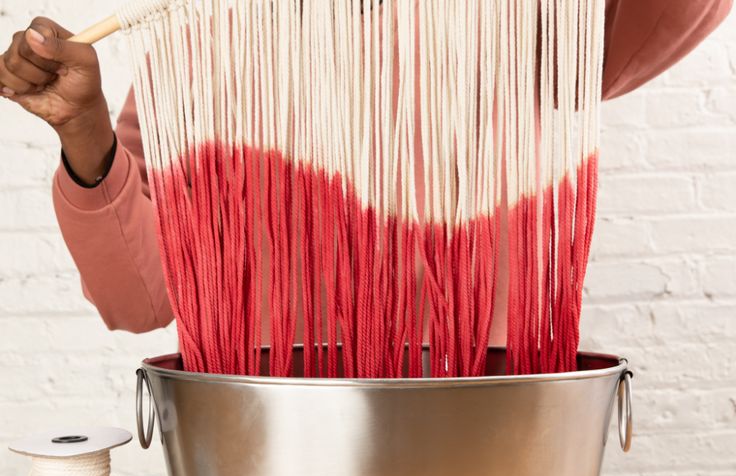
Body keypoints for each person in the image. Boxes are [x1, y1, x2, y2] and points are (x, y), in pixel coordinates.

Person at [0, 0, 732, 338]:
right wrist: (84, 126)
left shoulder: (533, 25)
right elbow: (141, 300)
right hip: (270, 451)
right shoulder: (203, 42)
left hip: (488, 430)